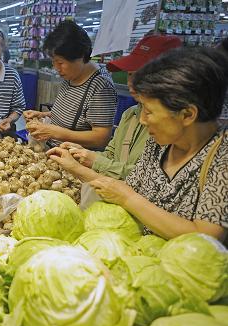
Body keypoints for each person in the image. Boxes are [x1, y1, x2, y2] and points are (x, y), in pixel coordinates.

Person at [48, 47, 228, 242]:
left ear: (187, 114)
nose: (142, 119)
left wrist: (127, 198)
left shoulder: (221, 157)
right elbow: (129, 188)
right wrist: (76, 168)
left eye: (149, 112)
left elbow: (205, 238)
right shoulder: (159, 143)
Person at [58, 35, 182, 183]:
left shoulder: (174, 129)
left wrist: (95, 161)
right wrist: (83, 154)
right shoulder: (130, 115)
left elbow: (150, 180)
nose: (131, 82)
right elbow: (112, 155)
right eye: (130, 74)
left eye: (141, 74)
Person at [25, 21, 117, 150]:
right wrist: (43, 115)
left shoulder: (101, 87)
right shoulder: (71, 76)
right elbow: (74, 115)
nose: (56, 68)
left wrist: (54, 132)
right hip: (52, 151)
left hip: (74, 161)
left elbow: (101, 139)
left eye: (60, 62)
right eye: (53, 62)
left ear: (80, 56)